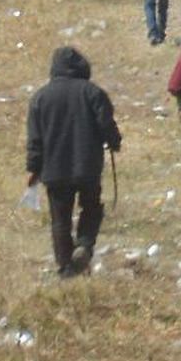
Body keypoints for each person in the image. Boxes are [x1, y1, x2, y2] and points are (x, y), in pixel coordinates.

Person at [26, 47, 122, 278]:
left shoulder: (40, 97)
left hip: (54, 169)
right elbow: (106, 125)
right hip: (87, 165)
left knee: (60, 219)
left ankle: (65, 267)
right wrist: (114, 142)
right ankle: (85, 245)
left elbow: (35, 138)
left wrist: (33, 167)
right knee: (91, 208)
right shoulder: (93, 93)